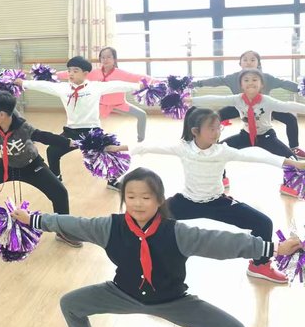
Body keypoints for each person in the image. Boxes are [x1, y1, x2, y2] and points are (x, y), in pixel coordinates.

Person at [12, 167, 303, 327]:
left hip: (173, 300)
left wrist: (274, 248)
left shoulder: (178, 232)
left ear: (160, 200)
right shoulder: (108, 227)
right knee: (71, 304)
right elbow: (72, 223)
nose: (138, 203)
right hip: (122, 293)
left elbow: (223, 242)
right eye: (131, 197)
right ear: (123, 199)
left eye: (146, 197)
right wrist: (33, 219)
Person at [108, 107, 301, 283]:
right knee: (148, 220)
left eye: (218, 128)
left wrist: (294, 163)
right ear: (195, 131)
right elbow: (150, 146)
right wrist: (119, 148)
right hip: (186, 202)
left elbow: (257, 155)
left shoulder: (222, 151)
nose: (217, 133)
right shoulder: (183, 148)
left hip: (218, 203)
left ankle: (260, 265)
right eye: (211, 129)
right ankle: (142, 259)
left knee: (263, 223)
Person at [0, 91, 79, 246]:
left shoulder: (23, 128)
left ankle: (63, 231)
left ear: (2, 115)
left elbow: (44, 136)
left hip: (32, 166)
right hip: (6, 166)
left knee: (60, 192)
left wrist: (67, 142)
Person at [17, 55, 136, 188]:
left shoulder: (95, 87)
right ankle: (57, 180)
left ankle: (112, 181)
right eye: (69, 71)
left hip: (92, 132)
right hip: (71, 132)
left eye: (75, 71)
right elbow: (44, 85)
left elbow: (117, 85)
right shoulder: (63, 88)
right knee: (52, 151)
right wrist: (23, 83)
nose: (71, 74)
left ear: (85, 73)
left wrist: (140, 86)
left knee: (109, 152)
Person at [190, 68, 305, 196]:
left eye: (254, 80)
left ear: (261, 84)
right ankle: (221, 179)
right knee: (216, 151)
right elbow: (216, 99)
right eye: (246, 80)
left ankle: (289, 186)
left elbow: (288, 105)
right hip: (245, 136)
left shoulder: (267, 101)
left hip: (267, 136)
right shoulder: (237, 99)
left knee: (292, 159)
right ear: (241, 85)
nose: (250, 82)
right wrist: (193, 101)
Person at [191, 50, 304, 157]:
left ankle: (294, 148)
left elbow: (284, 83)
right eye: (245, 60)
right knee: (215, 117)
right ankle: (213, 145)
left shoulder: (266, 77)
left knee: (290, 119)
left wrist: (301, 88)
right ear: (240, 63)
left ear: (258, 63)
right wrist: (193, 84)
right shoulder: (233, 78)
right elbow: (215, 81)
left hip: (265, 107)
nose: (248, 62)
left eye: (252, 60)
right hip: (240, 106)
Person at [56, 47, 154, 142]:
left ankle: (140, 139)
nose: (105, 60)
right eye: (103, 57)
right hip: (99, 105)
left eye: (108, 57)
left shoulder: (122, 73)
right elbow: (69, 73)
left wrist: (158, 83)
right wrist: (52, 75)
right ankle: (78, 139)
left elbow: (139, 77)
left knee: (142, 114)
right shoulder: (93, 73)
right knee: (84, 120)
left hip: (119, 104)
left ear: (114, 59)